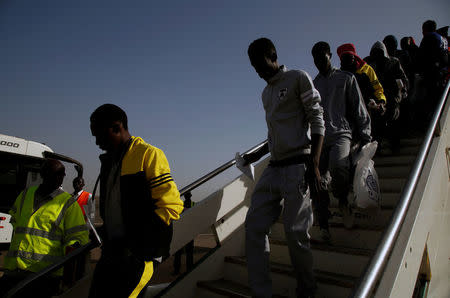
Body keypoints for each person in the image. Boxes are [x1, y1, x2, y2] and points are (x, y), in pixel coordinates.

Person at [243, 37, 324, 298]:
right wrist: (254, 156)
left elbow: (317, 120)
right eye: (254, 67)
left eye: (261, 64)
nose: (258, 71)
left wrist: (314, 164)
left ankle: (307, 289)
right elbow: (274, 134)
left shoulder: (298, 78)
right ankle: (261, 292)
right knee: (254, 225)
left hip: (298, 165)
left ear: (273, 55)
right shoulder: (265, 93)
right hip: (274, 167)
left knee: (294, 232)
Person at [88, 103, 184, 298]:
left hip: (140, 255)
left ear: (117, 127)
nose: (97, 141)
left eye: (99, 134)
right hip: (112, 252)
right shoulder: (109, 163)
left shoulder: (149, 154)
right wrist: (105, 232)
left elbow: (171, 206)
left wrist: (135, 245)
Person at [0, 159, 89, 298]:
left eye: (62, 175)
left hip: (45, 275)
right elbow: (16, 224)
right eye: (55, 174)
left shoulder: (69, 203)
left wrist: (68, 277)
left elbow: (77, 240)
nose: (60, 178)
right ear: (43, 174)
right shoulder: (24, 195)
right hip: (13, 270)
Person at [311, 41, 372, 239]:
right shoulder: (314, 84)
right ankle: (323, 225)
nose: (319, 62)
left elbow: (358, 107)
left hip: (342, 134)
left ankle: (343, 201)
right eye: (315, 59)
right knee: (315, 177)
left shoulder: (346, 78)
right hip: (321, 137)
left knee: (338, 165)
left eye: (322, 57)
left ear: (330, 55)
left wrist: (365, 135)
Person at [337, 43, 387, 143]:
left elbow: (378, 89)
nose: (347, 61)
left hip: (368, 109)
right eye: (344, 58)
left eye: (350, 57)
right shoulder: (339, 75)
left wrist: (381, 101)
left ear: (354, 57)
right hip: (347, 114)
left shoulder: (367, 69)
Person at [365, 41, 409, 151]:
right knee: (377, 122)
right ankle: (378, 147)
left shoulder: (394, 62)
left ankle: (395, 144)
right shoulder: (371, 66)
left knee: (393, 118)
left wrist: (402, 90)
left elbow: (403, 79)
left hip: (393, 95)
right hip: (378, 98)